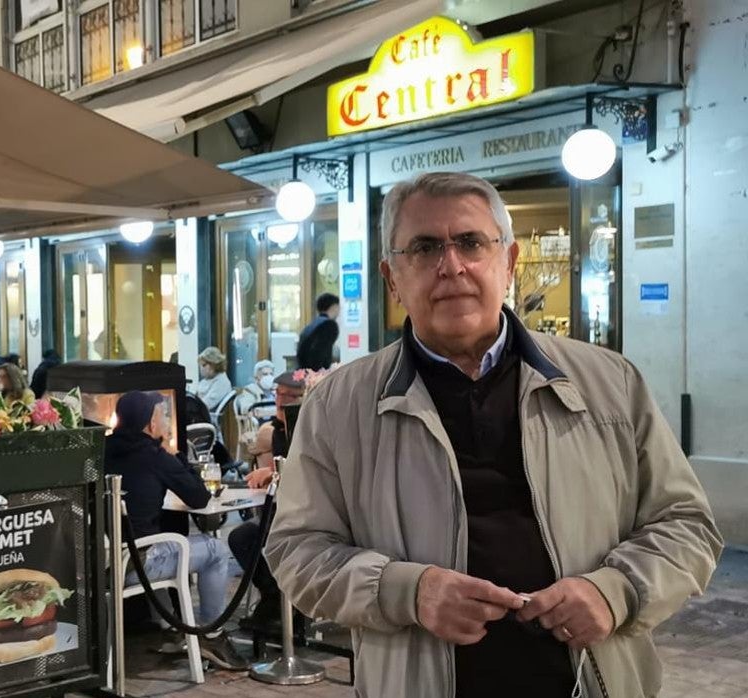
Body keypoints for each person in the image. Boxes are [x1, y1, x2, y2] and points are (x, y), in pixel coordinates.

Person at [265, 172, 722, 698]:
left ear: (508, 263)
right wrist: (407, 593)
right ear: (392, 279)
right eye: (425, 247)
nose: (451, 265)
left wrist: (615, 591)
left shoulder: (611, 384)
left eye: (470, 242)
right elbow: (296, 550)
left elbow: (687, 524)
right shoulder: (338, 407)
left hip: (589, 682)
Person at [104, 391, 248, 671]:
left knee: (155, 543)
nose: (165, 420)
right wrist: (180, 460)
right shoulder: (155, 456)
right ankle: (211, 634)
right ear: (149, 424)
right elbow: (200, 498)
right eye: (160, 415)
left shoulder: (101, 450)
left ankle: (172, 628)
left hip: (103, 565)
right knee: (216, 550)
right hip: (138, 566)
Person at [229, 371, 306, 631]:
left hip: (307, 511)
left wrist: (271, 473)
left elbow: (310, 474)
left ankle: (287, 605)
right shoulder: (276, 430)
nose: (281, 400)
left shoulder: (309, 428)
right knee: (241, 537)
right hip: (281, 508)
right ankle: (274, 595)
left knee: (270, 537)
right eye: (278, 394)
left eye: (290, 395)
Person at [295, 293, 339, 370]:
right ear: (334, 307)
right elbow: (320, 352)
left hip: (303, 371)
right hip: (315, 374)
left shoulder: (312, 325)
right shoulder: (329, 325)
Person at [193, 347, 232, 412]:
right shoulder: (205, 381)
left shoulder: (222, 382)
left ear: (214, 364)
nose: (201, 369)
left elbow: (205, 405)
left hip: (207, 419)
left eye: (203, 365)